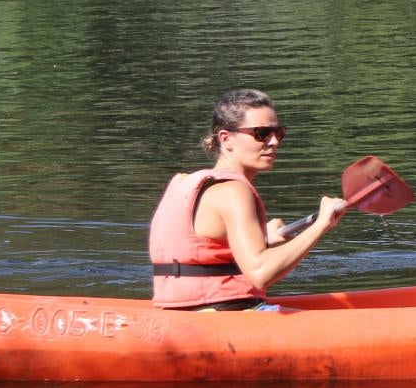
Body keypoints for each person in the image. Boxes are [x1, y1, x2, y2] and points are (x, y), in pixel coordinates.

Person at [149, 88, 348, 311]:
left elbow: (204, 249)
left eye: (278, 132)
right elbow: (260, 273)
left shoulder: (182, 182)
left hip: (177, 311)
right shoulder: (233, 191)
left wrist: (262, 240)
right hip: (225, 312)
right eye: (261, 133)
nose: (274, 141)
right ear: (226, 139)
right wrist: (321, 225)